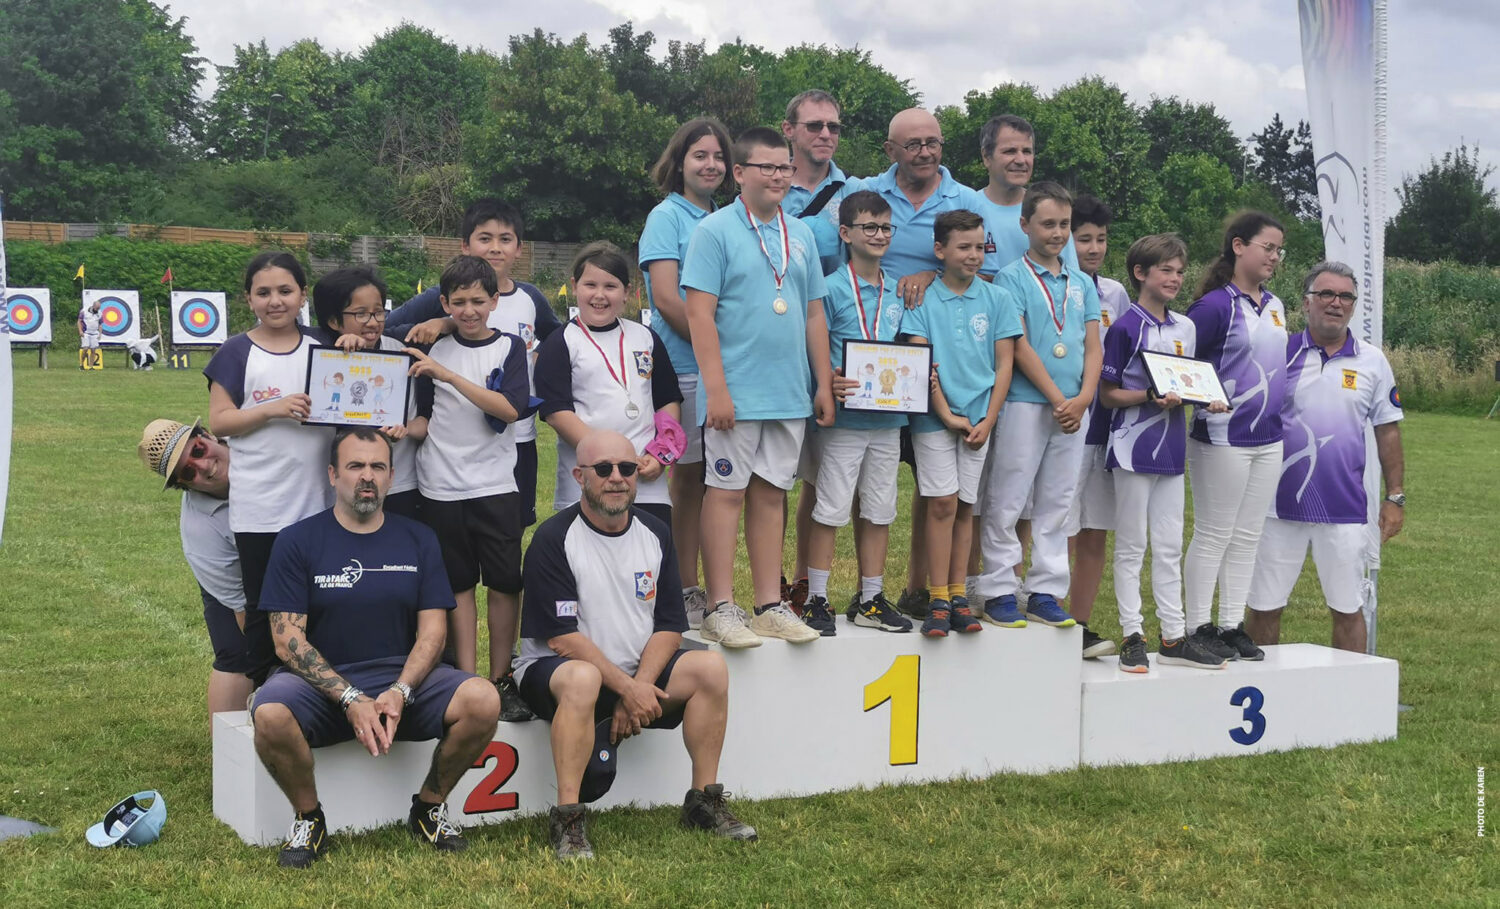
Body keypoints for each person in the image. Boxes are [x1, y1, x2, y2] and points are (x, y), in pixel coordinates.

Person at [249, 427, 501, 868]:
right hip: (323, 686)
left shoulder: (419, 538)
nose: (367, 476)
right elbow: (287, 641)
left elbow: (433, 634)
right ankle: (309, 818)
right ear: (333, 475)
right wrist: (349, 697)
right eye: (355, 466)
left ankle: (429, 807)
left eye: (377, 467)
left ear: (391, 477)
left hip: (402, 682)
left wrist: (400, 690)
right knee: (269, 713)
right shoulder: (297, 540)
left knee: (483, 699)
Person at [515, 430, 756, 860]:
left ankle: (704, 801)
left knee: (710, 669)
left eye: (627, 468)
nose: (617, 478)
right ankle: (569, 818)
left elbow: (669, 626)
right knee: (583, 678)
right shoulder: (553, 539)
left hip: (634, 675)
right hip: (557, 672)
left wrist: (639, 685)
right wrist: (627, 689)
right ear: (579, 476)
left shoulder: (655, 533)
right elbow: (562, 638)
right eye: (603, 469)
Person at [682, 126, 834, 648]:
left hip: (788, 393)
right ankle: (720, 606)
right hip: (736, 394)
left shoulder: (802, 234)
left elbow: (814, 315)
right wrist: (717, 390)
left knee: (771, 496)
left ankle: (769, 604)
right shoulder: (714, 231)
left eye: (784, 167)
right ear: (740, 173)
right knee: (726, 494)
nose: (778, 176)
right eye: (766, 167)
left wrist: (821, 383)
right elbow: (699, 315)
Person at [846, 107, 997, 620]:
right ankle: (856, 590)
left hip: (942, 363)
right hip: (877, 363)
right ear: (890, 150)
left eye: (933, 142)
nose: (925, 152)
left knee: (941, 490)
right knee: (863, 482)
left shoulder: (967, 201)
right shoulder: (867, 193)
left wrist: (932, 275)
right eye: (912, 144)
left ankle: (925, 589)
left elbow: (986, 273)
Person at [1246, 262, 1405, 653]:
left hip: (1344, 508)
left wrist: (1395, 497)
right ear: (1306, 302)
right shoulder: (1279, 352)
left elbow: (1387, 430)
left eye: (1345, 296)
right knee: (1264, 607)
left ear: (1353, 305)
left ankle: (1350, 689)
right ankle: (1258, 683)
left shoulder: (1372, 361)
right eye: (1326, 294)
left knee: (1348, 609)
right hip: (1276, 505)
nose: (1336, 303)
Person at [387, 199, 561, 529]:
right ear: (465, 246)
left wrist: (538, 366)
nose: (495, 248)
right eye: (485, 238)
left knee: (511, 529)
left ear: (519, 248)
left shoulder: (531, 297)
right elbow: (390, 328)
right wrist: (444, 323)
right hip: (453, 448)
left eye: (505, 239)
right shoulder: (440, 295)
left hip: (518, 436)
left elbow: (557, 338)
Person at [407, 255, 531, 718]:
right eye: (458, 302)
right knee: (457, 586)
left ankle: (501, 678)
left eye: (478, 301)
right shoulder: (432, 348)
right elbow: (425, 417)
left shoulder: (510, 347)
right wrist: (401, 431)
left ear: (495, 301)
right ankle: (465, 679)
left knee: (504, 583)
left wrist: (449, 376)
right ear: (444, 303)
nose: (469, 310)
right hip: (440, 487)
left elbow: (510, 409)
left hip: (495, 485)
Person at [1099, 235, 1228, 672]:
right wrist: (1148, 397)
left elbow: (1187, 381)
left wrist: (1206, 399)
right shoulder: (1125, 327)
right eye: (1166, 270)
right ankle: (1132, 635)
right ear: (1140, 273)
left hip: (1172, 449)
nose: (1175, 278)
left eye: (1180, 271)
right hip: (1132, 446)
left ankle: (1173, 637)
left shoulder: (1185, 327)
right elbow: (1108, 394)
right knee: (1132, 545)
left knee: (1170, 545)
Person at [205, 252, 331, 688]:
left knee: (322, 603)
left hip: (319, 503)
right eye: (263, 292)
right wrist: (272, 409)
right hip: (259, 508)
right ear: (248, 299)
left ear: (303, 295)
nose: (275, 301)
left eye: (285, 290)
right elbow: (220, 421)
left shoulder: (324, 344)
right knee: (264, 605)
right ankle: (266, 695)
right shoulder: (235, 352)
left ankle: (321, 693)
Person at [979, 182, 1101, 629]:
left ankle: (1046, 590)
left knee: (1057, 500)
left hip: (1074, 410)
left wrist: (1083, 398)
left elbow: (1093, 346)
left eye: (1064, 224)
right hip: (1027, 403)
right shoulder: (1011, 278)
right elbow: (1019, 345)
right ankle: (998, 587)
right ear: (1025, 225)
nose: (1058, 233)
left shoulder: (1081, 282)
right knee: (1008, 497)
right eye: (1048, 224)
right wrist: (1057, 398)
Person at [900, 210, 1021, 637]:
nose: (973, 255)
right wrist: (947, 414)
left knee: (967, 506)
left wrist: (989, 418)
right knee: (941, 503)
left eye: (979, 247)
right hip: (935, 420)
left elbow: (1005, 364)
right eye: (963, 247)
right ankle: (936, 597)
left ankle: (957, 595)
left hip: (979, 420)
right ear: (940, 250)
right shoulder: (922, 300)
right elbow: (922, 362)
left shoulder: (998, 299)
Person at [801, 191, 914, 635]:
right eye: (870, 227)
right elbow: (814, 348)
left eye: (886, 227)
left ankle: (871, 598)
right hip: (844, 422)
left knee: (881, 510)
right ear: (846, 233)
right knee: (830, 508)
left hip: (887, 421)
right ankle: (816, 598)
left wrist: (919, 373)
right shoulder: (829, 289)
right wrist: (827, 381)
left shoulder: (898, 291)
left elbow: (909, 348)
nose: (879, 235)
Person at [1182, 211, 1290, 662]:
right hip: (1222, 436)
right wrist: (1202, 398)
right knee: (1214, 533)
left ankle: (1230, 625)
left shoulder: (1276, 306)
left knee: (1247, 536)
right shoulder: (1213, 307)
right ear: (1239, 246)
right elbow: (1179, 363)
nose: (1275, 256)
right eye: (1268, 247)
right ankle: (1196, 628)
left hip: (1268, 438)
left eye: (1280, 250)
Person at [640, 118, 733, 628]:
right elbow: (666, 297)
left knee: (718, 481)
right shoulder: (666, 217)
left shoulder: (725, 217)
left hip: (723, 368)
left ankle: (708, 590)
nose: (710, 165)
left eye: (718, 156)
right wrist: (713, 346)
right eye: (700, 155)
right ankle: (685, 588)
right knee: (688, 481)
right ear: (679, 162)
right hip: (684, 370)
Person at [535, 242, 683, 525]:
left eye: (610, 286)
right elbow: (557, 413)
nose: (599, 295)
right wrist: (611, 460)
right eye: (590, 285)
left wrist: (661, 454)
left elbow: (667, 400)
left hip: (645, 480)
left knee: (650, 549)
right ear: (575, 286)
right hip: (590, 481)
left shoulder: (646, 338)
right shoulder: (561, 343)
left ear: (626, 292)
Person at [137, 418, 252, 722]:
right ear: (184, 486)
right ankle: (227, 750)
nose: (204, 467)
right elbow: (243, 609)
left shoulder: (253, 444)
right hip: (236, 579)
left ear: (209, 435)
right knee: (236, 653)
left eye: (198, 450)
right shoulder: (200, 533)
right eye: (188, 472)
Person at [1066, 195, 1130, 658]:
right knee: (1059, 526)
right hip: (1065, 420)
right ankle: (1046, 617)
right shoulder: (1054, 288)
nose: (1094, 248)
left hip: (1106, 428)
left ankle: (1079, 624)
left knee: (1094, 530)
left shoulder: (1115, 294)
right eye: (1084, 239)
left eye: (1101, 239)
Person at [311, 266, 421, 519]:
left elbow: (423, 421)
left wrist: (403, 427)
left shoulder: (400, 352)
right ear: (334, 321)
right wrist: (349, 357)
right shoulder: (324, 359)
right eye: (360, 314)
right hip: (346, 487)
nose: (373, 322)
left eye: (378, 312)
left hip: (400, 484)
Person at [974, 114, 1080, 270]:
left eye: (1027, 151)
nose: (1020, 160)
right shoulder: (969, 208)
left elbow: (1071, 277)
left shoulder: (1049, 209)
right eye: (1010, 151)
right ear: (986, 157)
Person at [782, 89, 854, 276]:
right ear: (789, 129)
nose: (826, 134)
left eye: (833, 127)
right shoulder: (768, 188)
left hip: (837, 293)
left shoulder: (855, 190)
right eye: (814, 126)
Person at [78, 300, 101, 370]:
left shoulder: (100, 313)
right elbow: (79, 321)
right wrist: (80, 331)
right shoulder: (84, 311)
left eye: (99, 308)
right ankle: (82, 364)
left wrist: (100, 334)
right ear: (93, 306)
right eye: (96, 308)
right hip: (86, 332)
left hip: (95, 333)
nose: (97, 310)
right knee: (85, 348)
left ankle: (91, 366)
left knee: (93, 350)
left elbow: (100, 324)